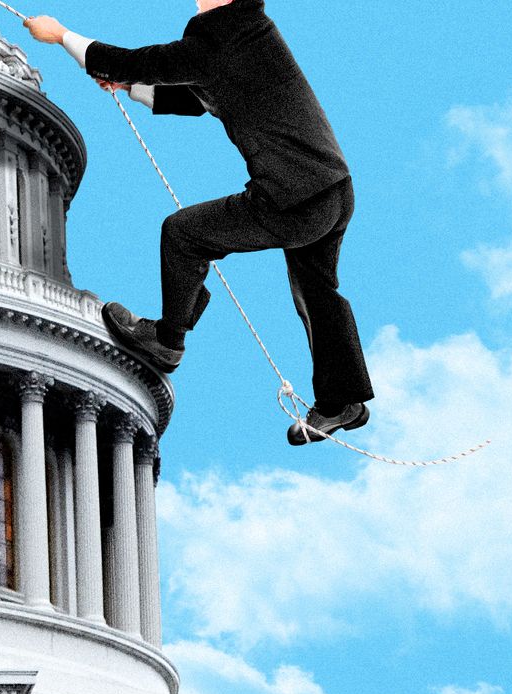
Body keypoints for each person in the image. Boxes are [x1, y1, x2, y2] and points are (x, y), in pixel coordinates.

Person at [23, 0, 375, 445]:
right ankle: (344, 401)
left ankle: (168, 340)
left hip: (292, 200)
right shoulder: (249, 33)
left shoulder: (218, 38)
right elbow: (197, 95)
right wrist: (130, 86)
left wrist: (61, 36)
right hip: (333, 189)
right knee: (319, 293)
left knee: (184, 234)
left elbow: (139, 62)